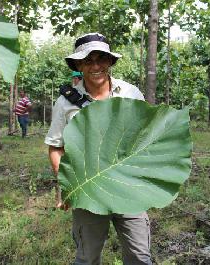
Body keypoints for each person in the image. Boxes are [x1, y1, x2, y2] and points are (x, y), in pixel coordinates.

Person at [45, 33, 152, 265]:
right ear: (78, 65)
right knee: (87, 257)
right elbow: (56, 147)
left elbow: (146, 135)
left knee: (140, 257)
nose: (96, 66)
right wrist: (68, 185)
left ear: (110, 61)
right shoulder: (66, 102)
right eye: (87, 60)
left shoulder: (131, 93)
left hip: (127, 186)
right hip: (88, 189)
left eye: (101, 58)